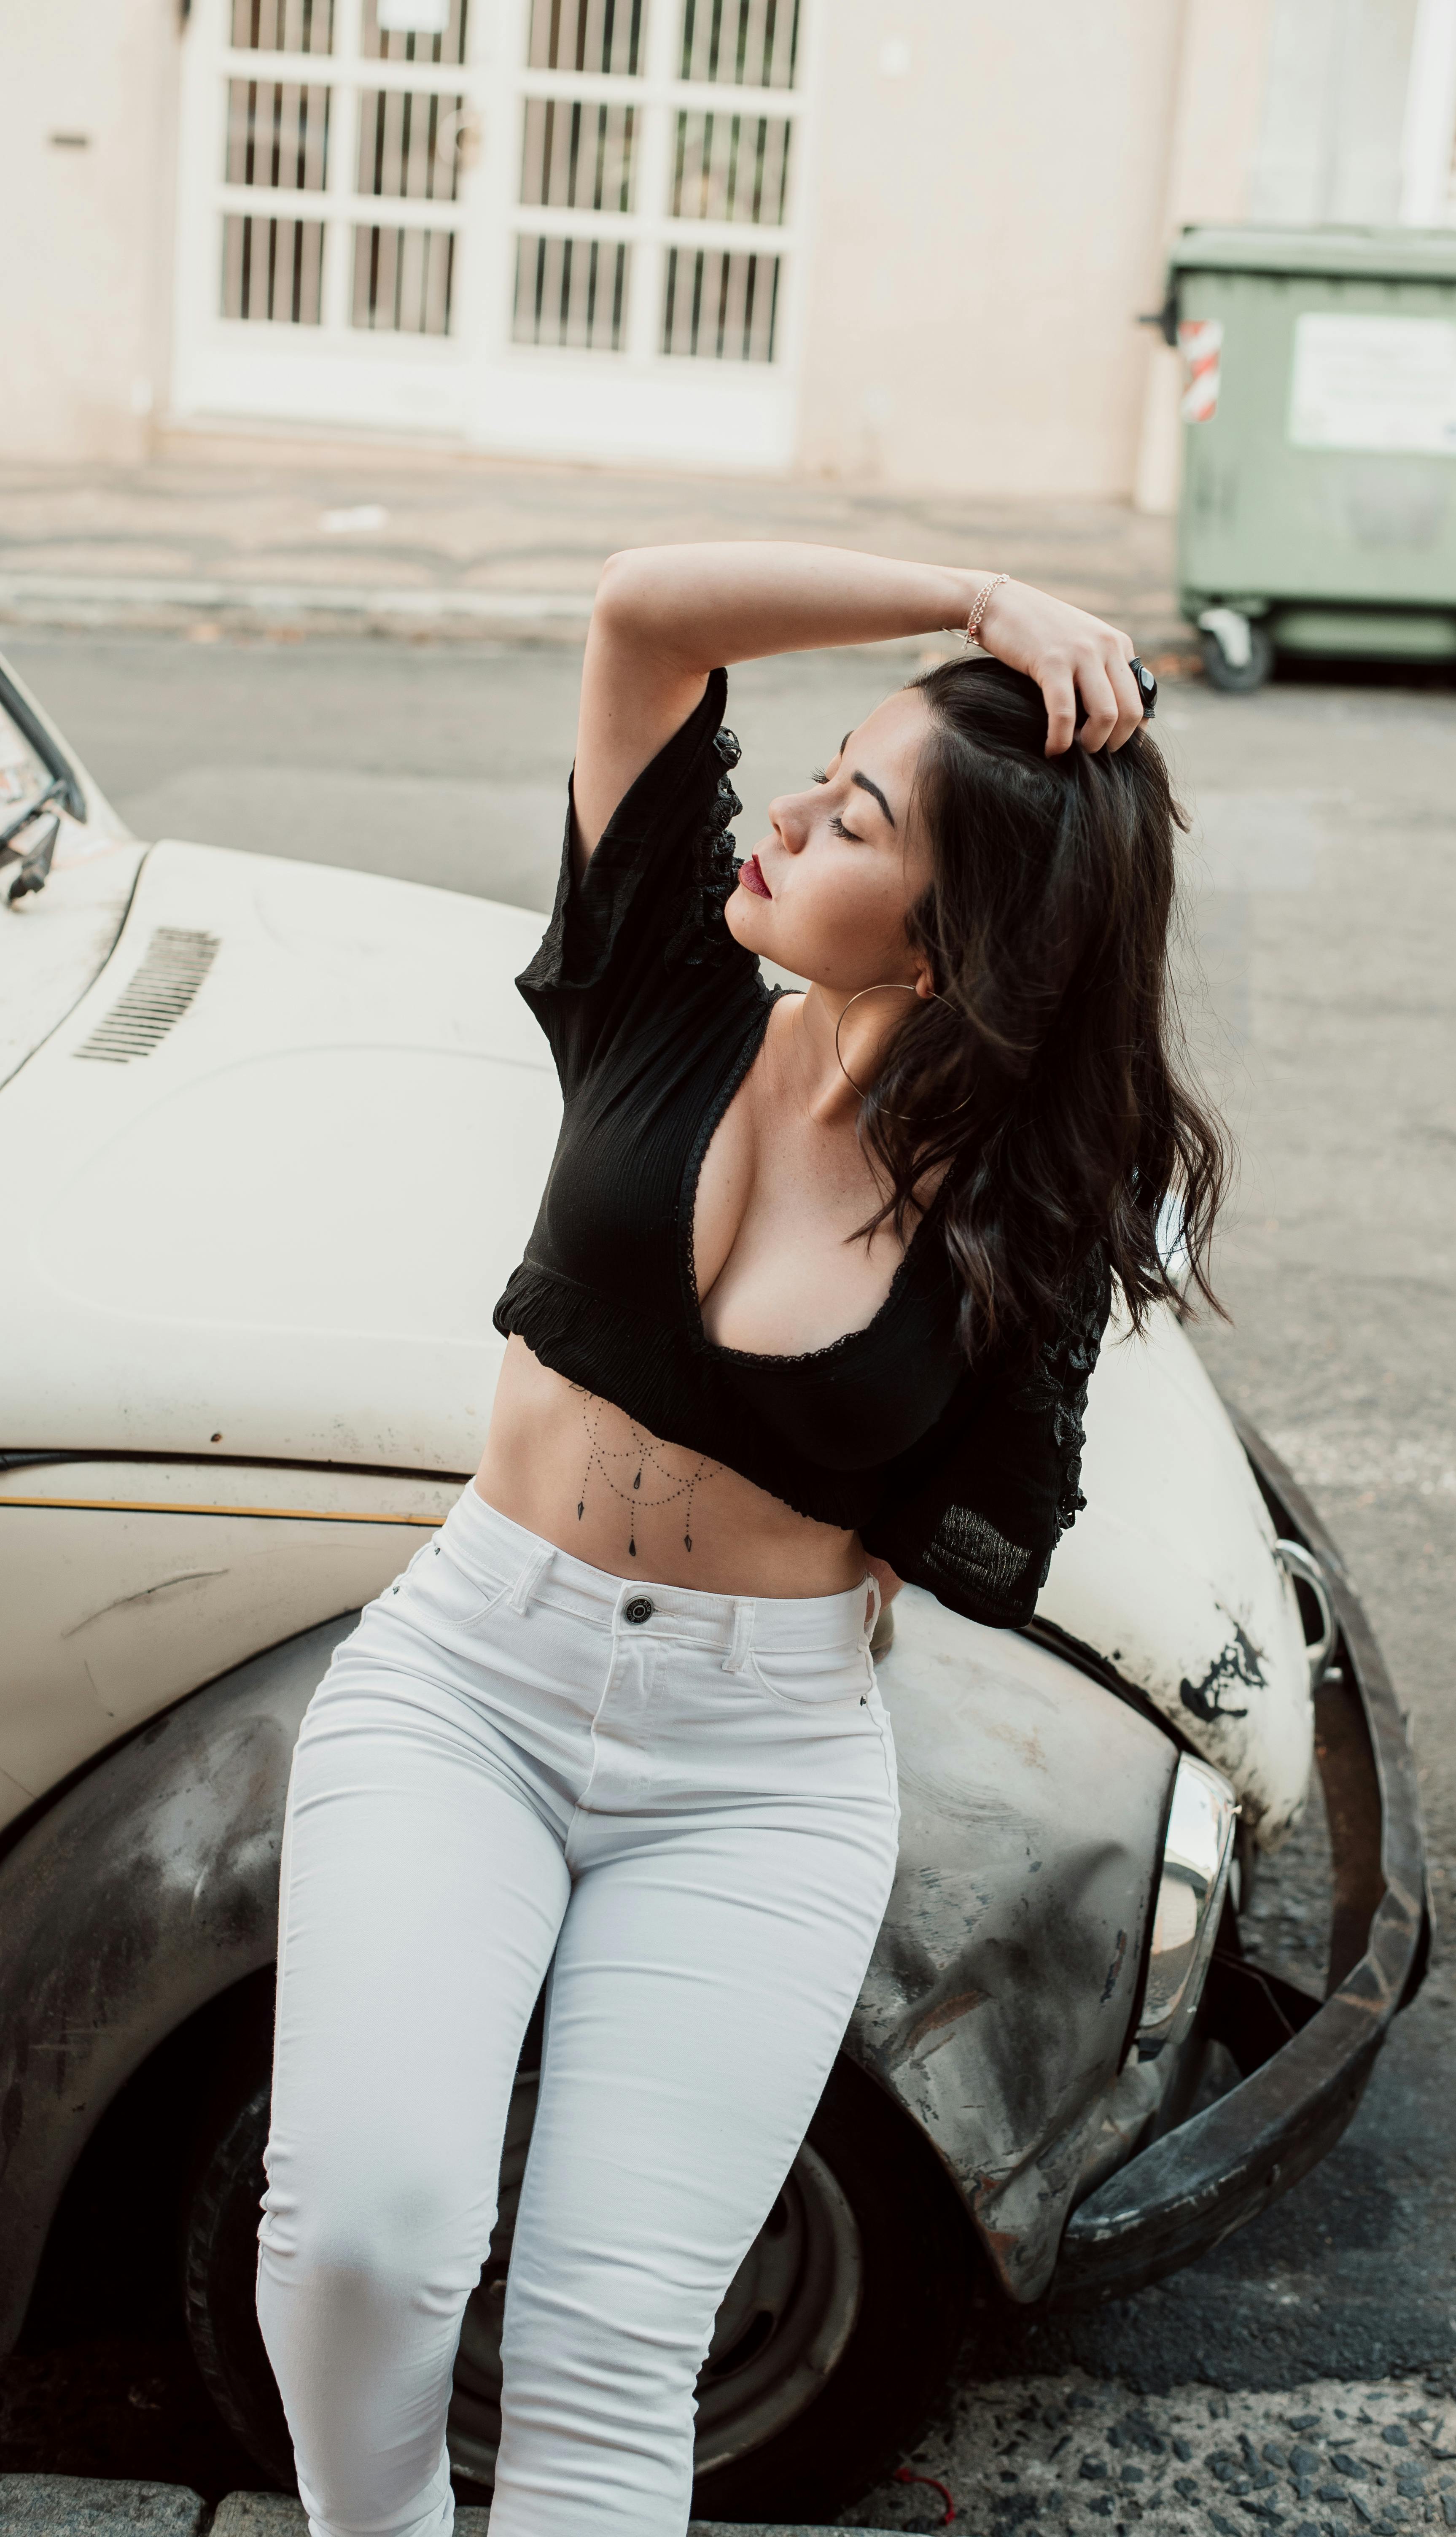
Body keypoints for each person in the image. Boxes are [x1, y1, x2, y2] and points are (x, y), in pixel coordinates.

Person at [254, 544, 1227, 2537]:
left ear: (959, 937)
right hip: (466, 1684)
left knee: (615, 2354)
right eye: (816, 770)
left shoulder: (1019, 1209)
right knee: (365, 2239)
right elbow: (637, 610)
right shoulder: (662, 977)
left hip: (752, 1775)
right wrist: (973, 596)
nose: (783, 814)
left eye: (854, 815)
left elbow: (978, 1529)